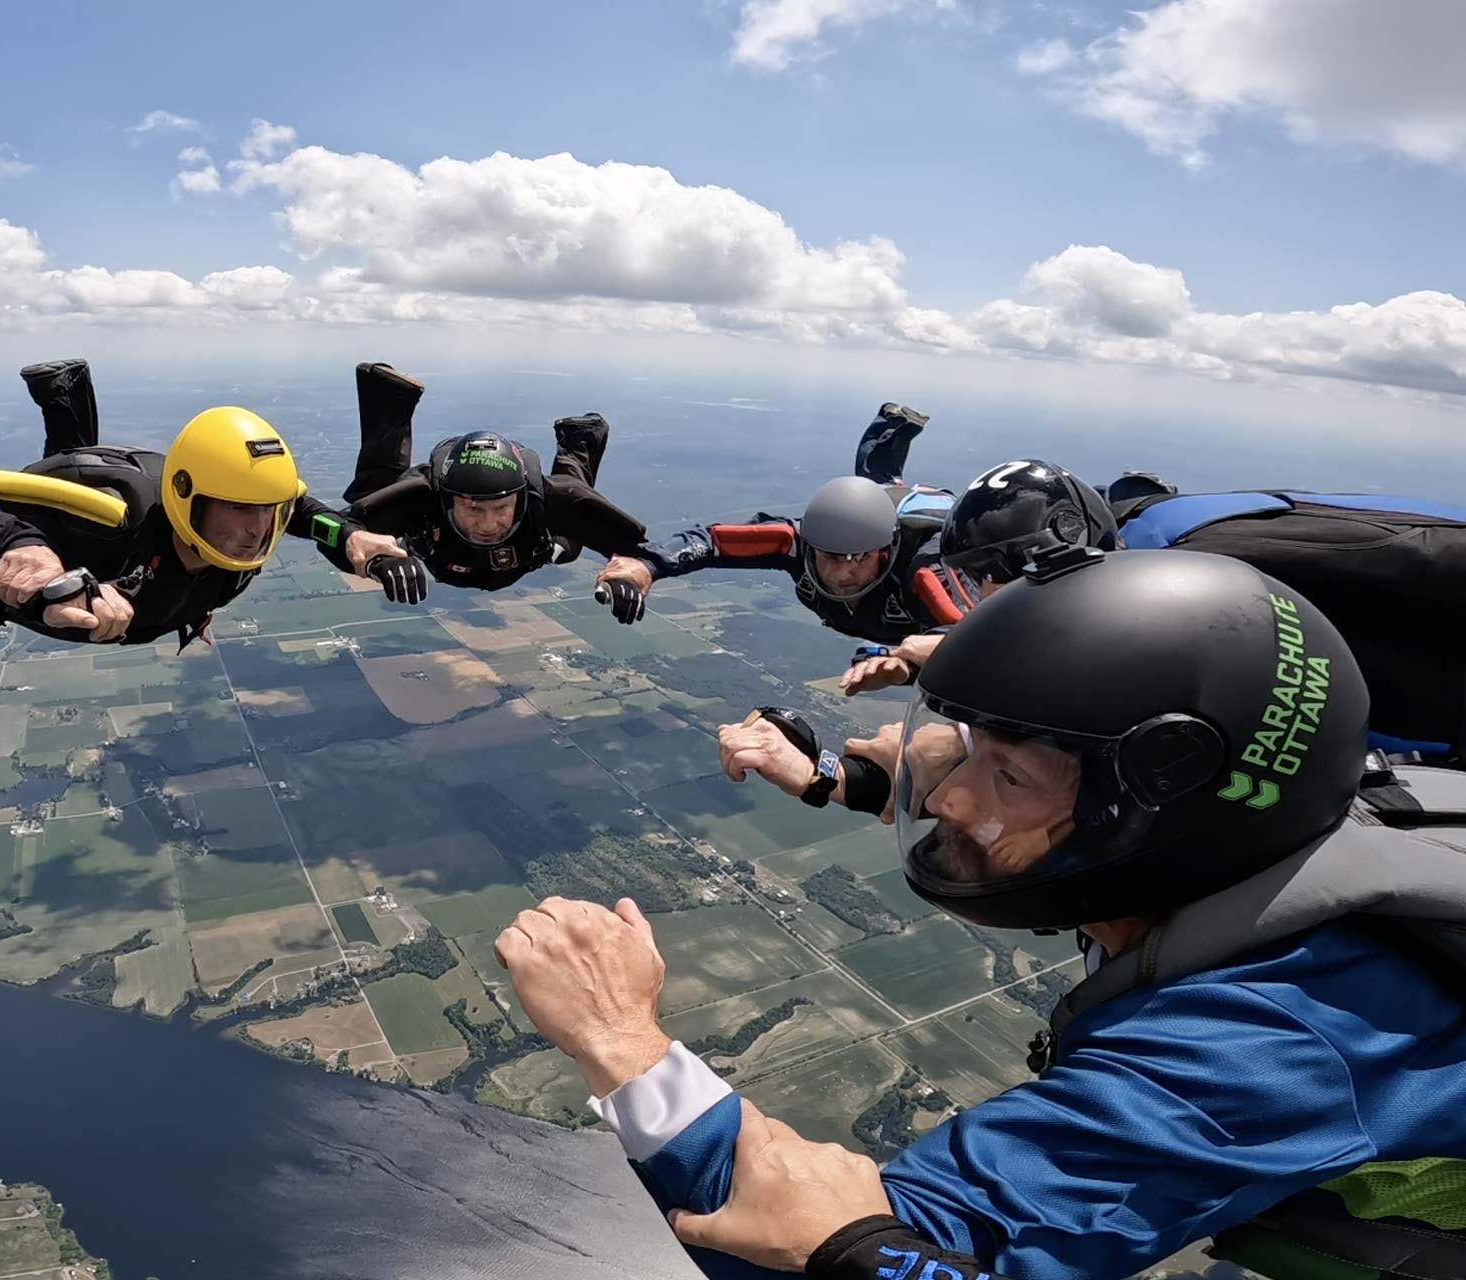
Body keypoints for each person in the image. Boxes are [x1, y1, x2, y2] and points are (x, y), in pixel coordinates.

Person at [496, 549, 1466, 1280]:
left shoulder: (1270, 1043)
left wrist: (620, 1040)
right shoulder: (1302, 814)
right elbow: (1015, 804)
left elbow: (806, 1242)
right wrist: (840, 778)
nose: (955, 799)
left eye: (1009, 773)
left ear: (1151, 820)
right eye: (970, 748)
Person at [868, 457, 1466, 754]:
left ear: (1065, 536)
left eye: (998, 571)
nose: (992, 594)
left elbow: (1417, 553)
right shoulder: (1134, 582)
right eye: (975, 579)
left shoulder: (1204, 555)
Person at [0, 360, 413, 647]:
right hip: (73, 509)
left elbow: (300, 510)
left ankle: (62, 389)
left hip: (106, 530)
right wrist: (25, 548)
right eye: (238, 509)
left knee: (77, 479)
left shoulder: (261, 511)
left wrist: (353, 540)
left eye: (267, 514)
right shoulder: (117, 518)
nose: (254, 531)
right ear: (188, 501)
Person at [595, 404, 974, 644]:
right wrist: (646, 565)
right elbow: (713, 542)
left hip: (935, 519)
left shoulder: (926, 576)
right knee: (875, 486)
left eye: (859, 558)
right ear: (810, 545)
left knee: (884, 486)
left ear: (886, 551)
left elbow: (973, 638)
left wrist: (911, 660)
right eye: (831, 556)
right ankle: (892, 432)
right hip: (877, 515)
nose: (843, 572)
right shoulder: (794, 541)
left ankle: (891, 430)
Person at [342, 362, 650, 612]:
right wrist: (376, 558)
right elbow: (339, 526)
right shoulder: (422, 497)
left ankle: (581, 439)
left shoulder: (547, 498)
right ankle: (388, 398)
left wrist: (630, 573)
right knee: (370, 506)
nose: (489, 525)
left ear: (518, 499)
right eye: (474, 508)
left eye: (501, 508)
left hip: (527, 544)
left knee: (569, 539)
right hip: (446, 546)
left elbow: (643, 550)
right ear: (449, 502)